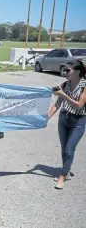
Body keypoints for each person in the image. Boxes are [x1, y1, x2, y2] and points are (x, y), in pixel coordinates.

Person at [48, 60, 86, 190]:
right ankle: (67, 171)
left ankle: (62, 176)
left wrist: (63, 95)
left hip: (78, 120)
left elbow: (79, 105)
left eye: (68, 70)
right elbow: (58, 104)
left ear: (77, 72)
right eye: (64, 69)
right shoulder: (65, 85)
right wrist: (46, 118)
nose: (65, 72)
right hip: (64, 118)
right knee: (64, 148)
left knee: (70, 149)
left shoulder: (84, 86)